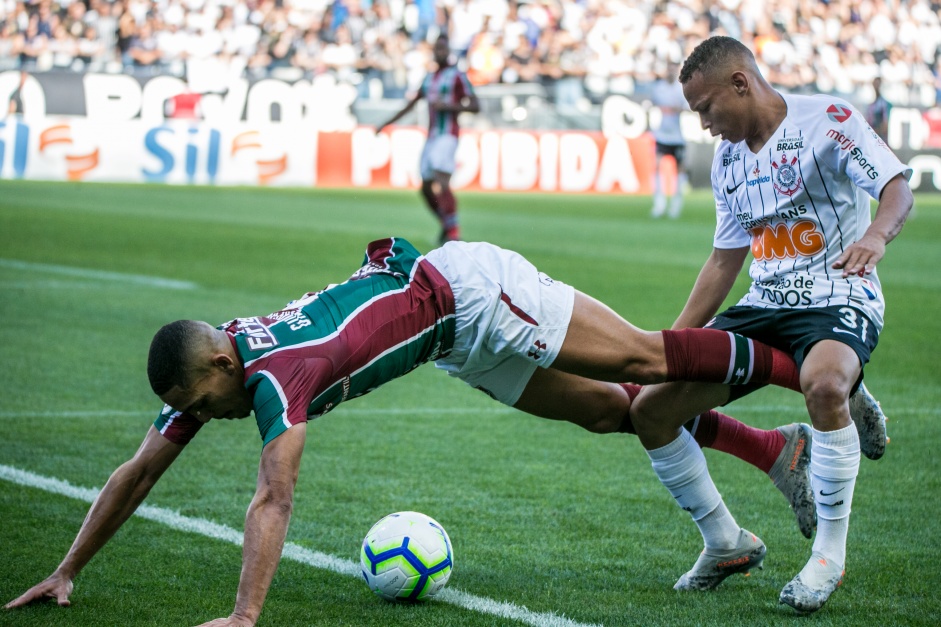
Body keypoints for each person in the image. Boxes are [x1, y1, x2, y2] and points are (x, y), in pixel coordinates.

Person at [7, 235, 829, 626]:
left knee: (646, 360)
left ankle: (816, 368)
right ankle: (766, 454)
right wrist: (67, 567)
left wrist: (245, 616)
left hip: (468, 289)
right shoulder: (217, 367)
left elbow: (273, 495)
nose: (203, 421)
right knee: (614, 410)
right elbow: (137, 470)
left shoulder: (276, 375)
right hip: (451, 339)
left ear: (222, 366)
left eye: (203, 406)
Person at [629, 36, 911, 614]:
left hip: (838, 292)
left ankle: (828, 557)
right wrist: (671, 344)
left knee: (825, 384)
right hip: (765, 304)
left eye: (706, 108)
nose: (704, 126)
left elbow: (895, 188)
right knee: (651, 410)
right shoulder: (729, 160)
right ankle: (723, 541)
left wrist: (875, 236)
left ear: (741, 83)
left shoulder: (827, 121)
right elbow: (725, 260)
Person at [375, 35, 480, 245]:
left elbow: (475, 106)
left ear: (448, 51)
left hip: (448, 135)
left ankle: (454, 233)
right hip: (431, 137)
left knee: (442, 182)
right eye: (437, 49)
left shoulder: (457, 76)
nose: (440, 53)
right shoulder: (429, 78)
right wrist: (385, 123)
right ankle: (446, 224)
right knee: (425, 188)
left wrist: (449, 106)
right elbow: (412, 104)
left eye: (443, 49)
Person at [649, 62, 689, 219]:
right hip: (662, 135)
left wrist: (675, 109)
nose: (670, 73)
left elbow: (688, 107)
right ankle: (659, 204)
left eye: (673, 70)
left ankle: (676, 205)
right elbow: (653, 104)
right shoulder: (659, 88)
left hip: (677, 137)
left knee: (679, 169)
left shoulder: (681, 89)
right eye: (668, 70)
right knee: (657, 166)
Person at [865, 76, 891, 144]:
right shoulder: (871, 103)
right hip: (872, 137)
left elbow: (885, 125)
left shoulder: (883, 104)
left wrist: (874, 132)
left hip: (880, 138)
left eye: (878, 84)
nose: (876, 87)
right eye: (875, 84)